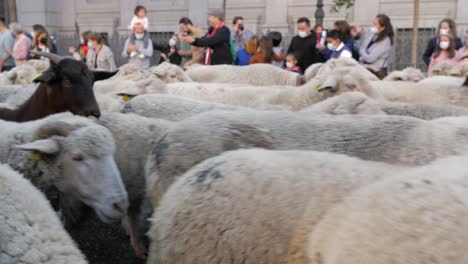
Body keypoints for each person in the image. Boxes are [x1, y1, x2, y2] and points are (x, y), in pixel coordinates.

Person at [359, 14, 394, 79]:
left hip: (376, 73)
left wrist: (362, 52)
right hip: (365, 69)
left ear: (383, 27)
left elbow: (370, 58)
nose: (372, 26)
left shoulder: (385, 40)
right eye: (373, 23)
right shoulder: (371, 34)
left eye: (375, 24)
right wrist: (363, 53)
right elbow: (362, 48)